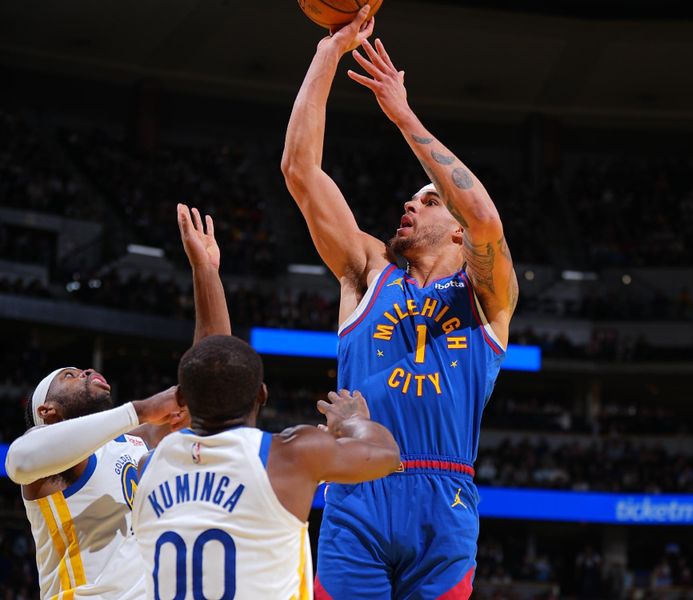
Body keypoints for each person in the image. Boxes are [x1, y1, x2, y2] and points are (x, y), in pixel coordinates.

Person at [281, 6, 518, 598]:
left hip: (446, 495)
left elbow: (485, 215)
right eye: (410, 202)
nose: (408, 207)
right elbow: (299, 171)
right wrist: (327, 52)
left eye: (429, 202)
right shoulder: (368, 271)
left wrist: (404, 115)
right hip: (357, 488)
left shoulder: (488, 296)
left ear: (458, 231)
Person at [4, 204, 230, 599]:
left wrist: (205, 272)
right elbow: (19, 461)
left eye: (83, 369)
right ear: (48, 412)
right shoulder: (52, 465)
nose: (86, 373)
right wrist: (140, 409)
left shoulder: (134, 440)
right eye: (70, 376)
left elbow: (208, 376)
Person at [131, 335, 401, 599]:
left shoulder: (148, 464)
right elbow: (387, 455)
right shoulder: (289, 455)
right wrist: (350, 421)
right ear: (262, 393)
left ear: (179, 397)